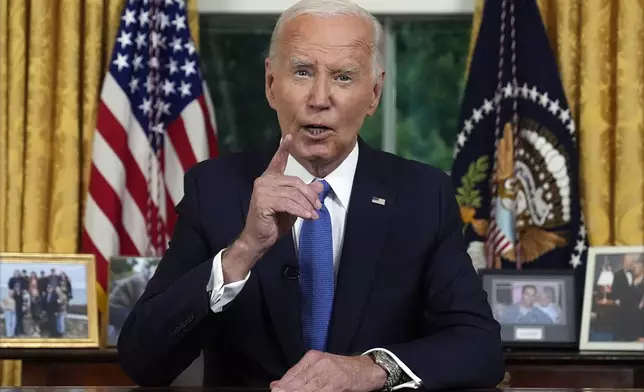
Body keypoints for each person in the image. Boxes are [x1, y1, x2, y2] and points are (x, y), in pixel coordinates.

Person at [117, 0, 504, 390]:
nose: (320, 98)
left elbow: (480, 347)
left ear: (374, 93)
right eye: (302, 72)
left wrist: (372, 368)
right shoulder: (215, 189)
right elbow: (142, 359)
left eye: (343, 77)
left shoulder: (423, 197)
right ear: (271, 84)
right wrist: (245, 249)